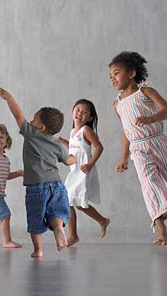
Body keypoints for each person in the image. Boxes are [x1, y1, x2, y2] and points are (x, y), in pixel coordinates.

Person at [109, 51, 167, 245]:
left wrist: (151, 119)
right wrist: (124, 157)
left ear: (131, 73)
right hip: (137, 149)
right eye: (110, 76)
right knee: (147, 183)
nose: (113, 78)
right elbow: (126, 131)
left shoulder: (145, 92)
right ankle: (159, 224)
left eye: (116, 73)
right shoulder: (117, 104)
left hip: (158, 141)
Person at [0, 88, 75, 257]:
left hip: (37, 188)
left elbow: (18, 116)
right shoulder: (57, 144)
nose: (30, 121)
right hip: (57, 185)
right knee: (55, 212)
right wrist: (74, 157)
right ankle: (58, 227)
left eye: (34, 119)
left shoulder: (32, 134)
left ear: (42, 127)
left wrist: (9, 97)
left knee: (35, 218)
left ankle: (38, 250)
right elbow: (69, 161)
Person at [58, 99, 109, 246]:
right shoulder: (73, 131)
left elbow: (99, 147)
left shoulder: (86, 130)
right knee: (75, 203)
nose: (80, 113)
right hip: (75, 171)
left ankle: (73, 235)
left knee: (70, 201)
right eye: (78, 109)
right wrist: (65, 143)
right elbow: (76, 149)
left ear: (90, 118)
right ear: (72, 111)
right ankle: (102, 220)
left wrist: (90, 164)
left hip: (84, 170)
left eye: (85, 112)